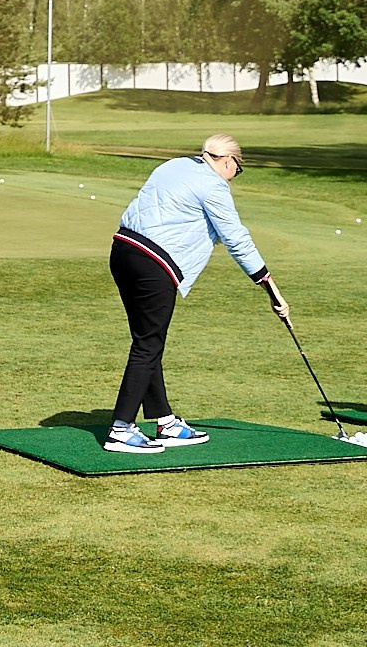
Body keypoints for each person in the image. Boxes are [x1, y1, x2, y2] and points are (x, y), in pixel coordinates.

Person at [104, 133, 289, 453]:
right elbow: (237, 239)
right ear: (230, 161)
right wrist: (271, 289)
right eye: (237, 170)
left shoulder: (174, 165)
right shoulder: (214, 186)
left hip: (123, 251)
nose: (234, 177)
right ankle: (121, 428)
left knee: (148, 340)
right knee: (148, 344)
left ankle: (165, 420)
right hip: (154, 264)